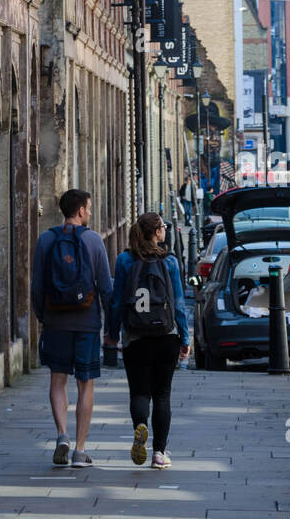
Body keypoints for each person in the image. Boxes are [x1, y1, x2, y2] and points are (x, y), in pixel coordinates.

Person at [31, 189, 113, 468]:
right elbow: (105, 287)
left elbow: (37, 286)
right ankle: (80, 450)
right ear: (80, 211)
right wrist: (110, 326)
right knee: (85, 383)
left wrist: (45, 317)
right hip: (87, 323)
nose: (89, 212)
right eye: (88, 208)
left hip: (55, 322)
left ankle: (61, 434)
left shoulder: (46, 240)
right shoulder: (93, 240)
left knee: (57, 380)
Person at [107, 211, 190, 470]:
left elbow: (118, 301)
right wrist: (185, 337)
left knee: (139, 392)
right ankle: (159, 453)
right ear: (156, 233)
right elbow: (178, 303)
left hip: (135, 335)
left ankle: (140, 425)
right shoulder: (171, 262)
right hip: (166, 335)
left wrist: (112, 333)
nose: (165, 230)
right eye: (163, 227)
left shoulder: (124, 261)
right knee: (162, 395)